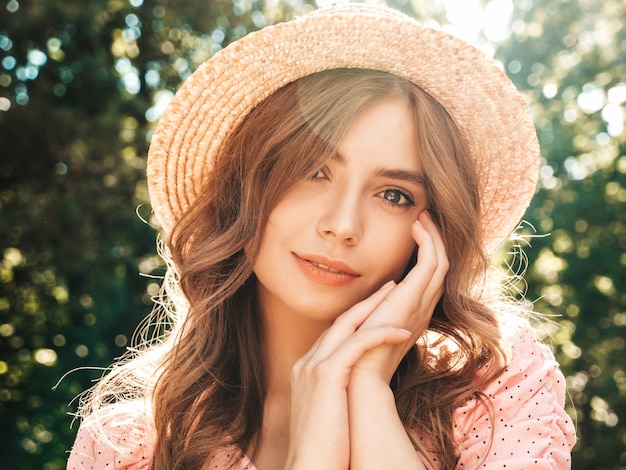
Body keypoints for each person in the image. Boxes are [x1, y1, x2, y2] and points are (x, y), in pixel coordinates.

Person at [66, 4, 577, 469]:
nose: (342, 225)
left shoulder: (496, 388)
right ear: (245, 188)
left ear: (433, 231)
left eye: (394, 194)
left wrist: (367, 390)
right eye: (312, 171)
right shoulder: (129, 448)